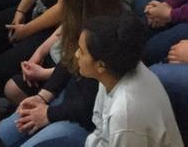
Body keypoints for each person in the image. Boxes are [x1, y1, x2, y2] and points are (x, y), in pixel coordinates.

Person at [73, 15, 179, 147]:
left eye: (82, 52)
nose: (76, 54)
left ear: (100, 65)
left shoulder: (125, 115)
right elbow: (100, 128)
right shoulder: (113, 71)